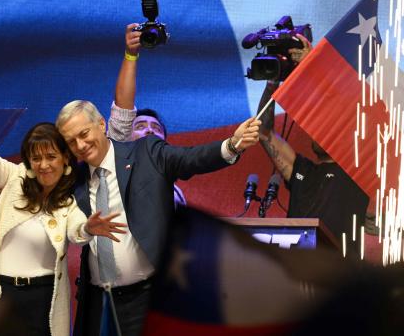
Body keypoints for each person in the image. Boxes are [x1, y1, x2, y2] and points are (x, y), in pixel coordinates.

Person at [0, 75, 127, 336]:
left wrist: (88, 228)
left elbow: (76, 229)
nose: (44, 165)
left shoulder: (67, 200)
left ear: (65, 158)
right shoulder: (12, 177)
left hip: (43, 300)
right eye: (36, 158)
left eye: (51, 156)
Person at [56, 100, 260, 336]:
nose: (80, 145)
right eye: (71, 141)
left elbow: (191, 158)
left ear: (101, 124)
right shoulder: (74, 180)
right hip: (98, 301)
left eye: (84, 134)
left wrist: (232, 145)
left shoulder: (147, 153)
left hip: (147, 297)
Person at [256, 34, 369, 253]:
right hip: (298, 275)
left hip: (341, 276)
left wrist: (315, 65)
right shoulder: (302, 171)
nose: (317, 131)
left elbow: (349, 104)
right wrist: (272, 83)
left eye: (327, 123)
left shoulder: (357, 171)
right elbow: (263, 131)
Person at [115, 23, 187, 208]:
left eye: (155, 128)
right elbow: (123, 110)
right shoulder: (114, 173)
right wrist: (131, 55)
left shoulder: (176, 194)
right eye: (140, 127)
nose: (149, 131)